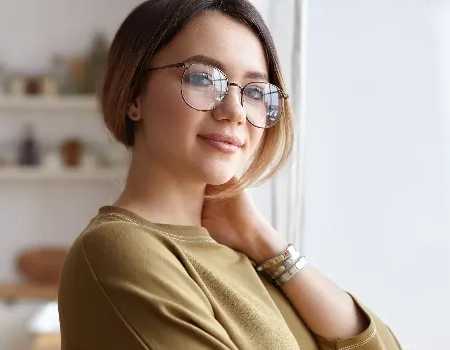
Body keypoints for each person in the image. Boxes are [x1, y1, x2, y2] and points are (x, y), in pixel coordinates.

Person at [58, 0, 402, 349]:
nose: (235, 111)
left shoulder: (249, 250)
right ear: (134, 94)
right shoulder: (118, 250)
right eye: (202, 78)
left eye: (254, 91)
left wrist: (262, 240)